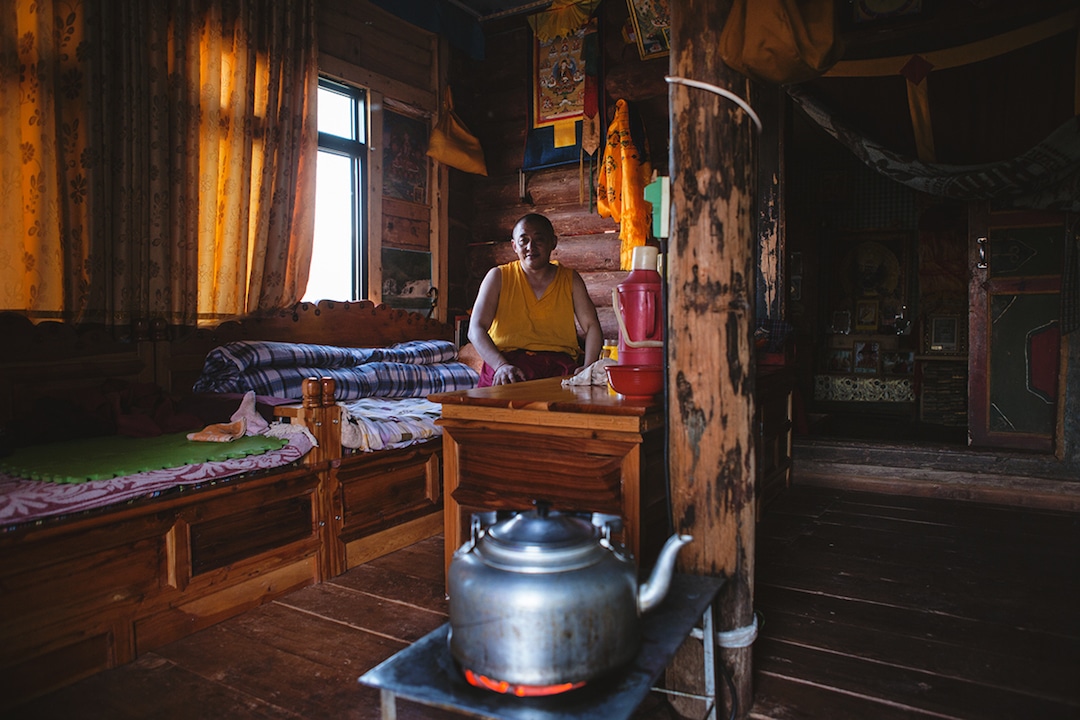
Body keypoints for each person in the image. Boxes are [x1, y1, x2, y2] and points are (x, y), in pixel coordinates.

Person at [468, 213, 602, 386]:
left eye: (539, 239)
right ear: (514, 246)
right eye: (524, 240)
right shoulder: (498, 277)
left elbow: (592, 326)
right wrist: (500, 365)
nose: (531, 247)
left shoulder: (570, 279)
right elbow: (475, 329)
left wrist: (588, 367)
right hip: (507, 367)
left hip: (557, 367)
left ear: (553, 242)